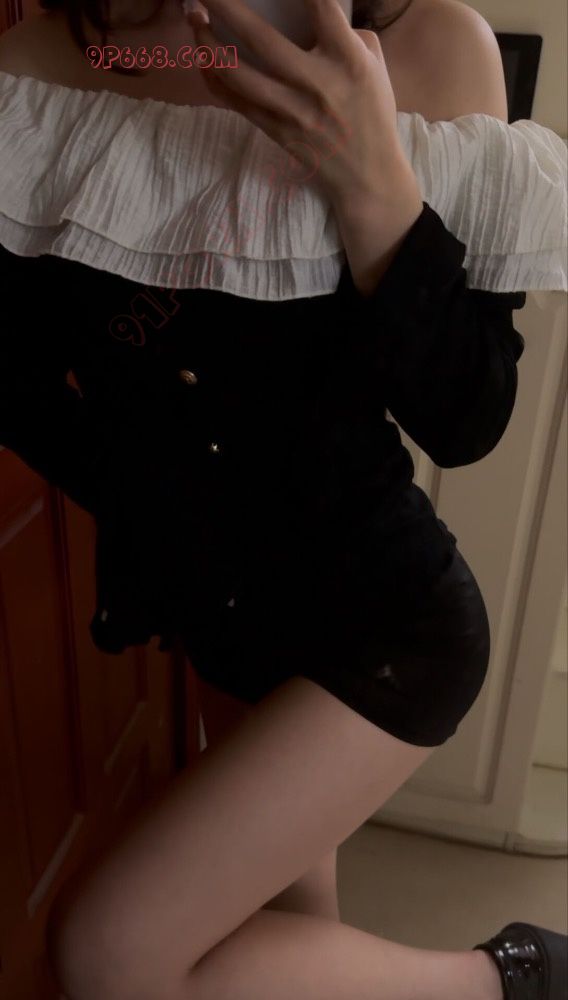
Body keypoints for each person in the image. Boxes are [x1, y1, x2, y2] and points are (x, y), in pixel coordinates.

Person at [0, 0, 566, 997]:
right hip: (217, 623)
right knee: (286, 943)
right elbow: (20, 382)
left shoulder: (430, 48)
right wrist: (155, 498)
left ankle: (515, 979)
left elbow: (466, 416)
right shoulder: (61, 59)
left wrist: (373, 181)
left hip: (384, 624)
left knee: (108, 951)